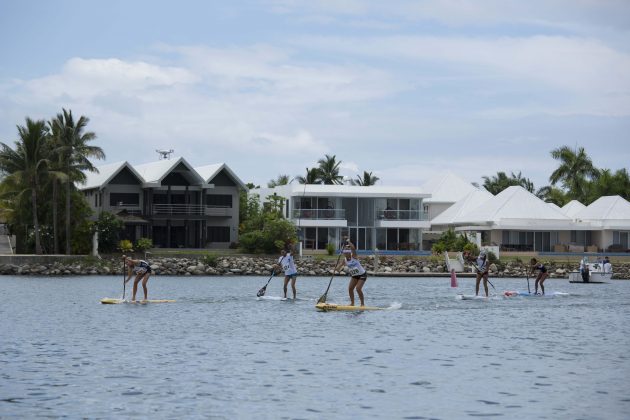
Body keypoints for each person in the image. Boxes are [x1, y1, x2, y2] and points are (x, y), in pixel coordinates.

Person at [335, 238, 367, 306]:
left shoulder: (354, 256)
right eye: (345, 251)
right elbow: (338, 268)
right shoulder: (345, 260)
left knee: (358, 288)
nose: (346, 252)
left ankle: (362, 304)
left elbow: (353, 248)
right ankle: (352, 303)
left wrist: (348, 241)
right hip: (355, 275)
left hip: (362, 274)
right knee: (350, 289)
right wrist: (336, 268)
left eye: (348, 250)